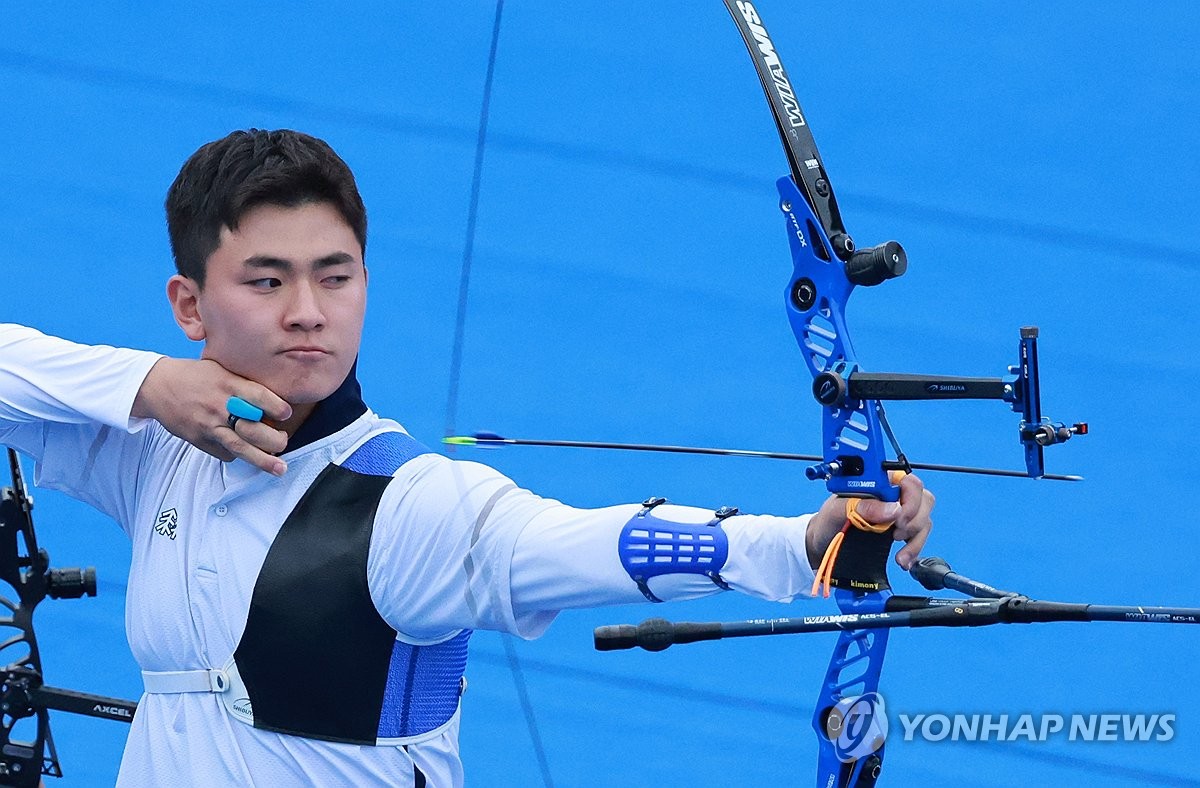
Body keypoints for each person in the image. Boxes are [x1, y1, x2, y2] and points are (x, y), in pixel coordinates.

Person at [0, 129, 933, 786]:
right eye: (266, 281)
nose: (309, 313)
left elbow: (580, 543)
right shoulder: (157, 453)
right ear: (190, 307)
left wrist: (800, 544)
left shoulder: (409, 507)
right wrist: (150, 384)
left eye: (336, 275)